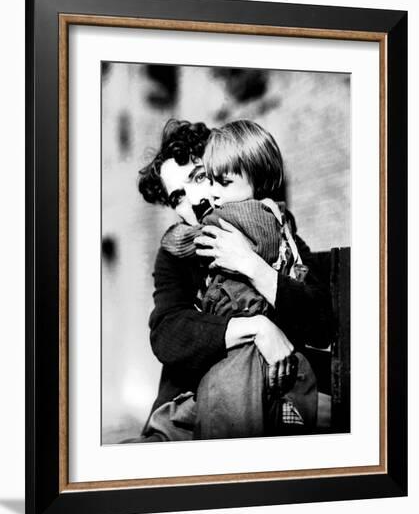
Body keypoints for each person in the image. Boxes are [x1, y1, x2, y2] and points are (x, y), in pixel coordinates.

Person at [134, 119, 334, 442]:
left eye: (199, 177)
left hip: (271, 395)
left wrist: (252, 265)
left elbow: (320, 320)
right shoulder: (176, 250)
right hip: (193, 402)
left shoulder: (273, 227)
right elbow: (168, 328)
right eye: (177, 198)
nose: (195, 200)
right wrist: (256, 327)